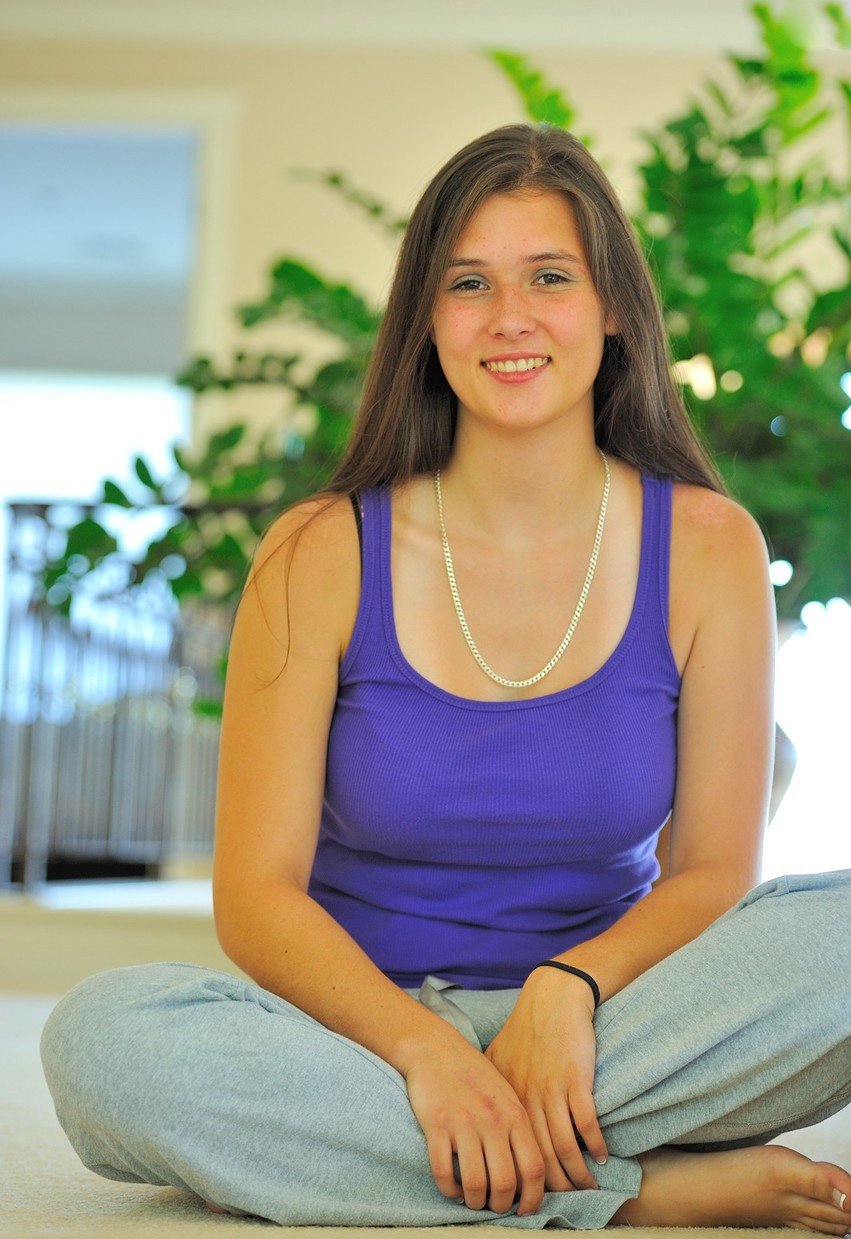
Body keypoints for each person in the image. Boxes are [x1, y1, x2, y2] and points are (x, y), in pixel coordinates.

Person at [40, 123, 850, 1231]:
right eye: (468, 283)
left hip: (608, 1027)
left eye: (549, 277)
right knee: (103, 1041)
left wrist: (566, 990)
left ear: (613, 308)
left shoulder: (707, 546)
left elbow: (711, 869)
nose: (509, 316)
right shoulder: (318, 550)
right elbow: (257, 897)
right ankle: (626, 1188)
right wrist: (426, 1054)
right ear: (425, 320)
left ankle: (456, 1156)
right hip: (362, 1040)